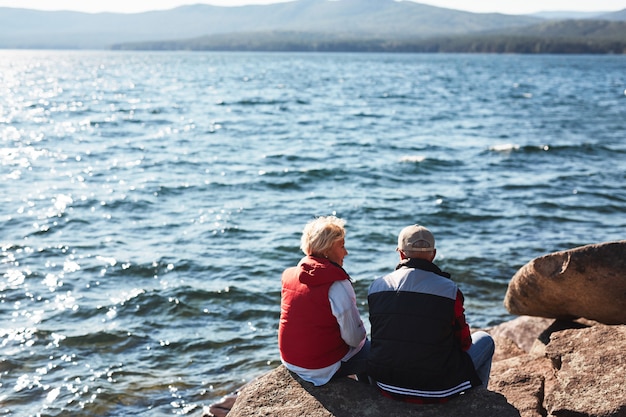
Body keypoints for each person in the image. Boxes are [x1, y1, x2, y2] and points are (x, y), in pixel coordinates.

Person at [367, 224, 494, 403]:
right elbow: (464, 342)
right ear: (433, 255)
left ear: (401, 253)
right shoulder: (449, 290)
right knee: (486, 340)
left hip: (387, 384)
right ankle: (476, 403)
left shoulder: (377, 287)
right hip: (436, 388)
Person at [278, 215, 370, 386]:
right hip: (320, 367)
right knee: (375, 352)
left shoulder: (288, 275)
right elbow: (354, 339)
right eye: (342, 246)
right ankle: (372, 398)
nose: (346, 252)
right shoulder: (337, 284)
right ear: (327, 250)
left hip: (290, 361)